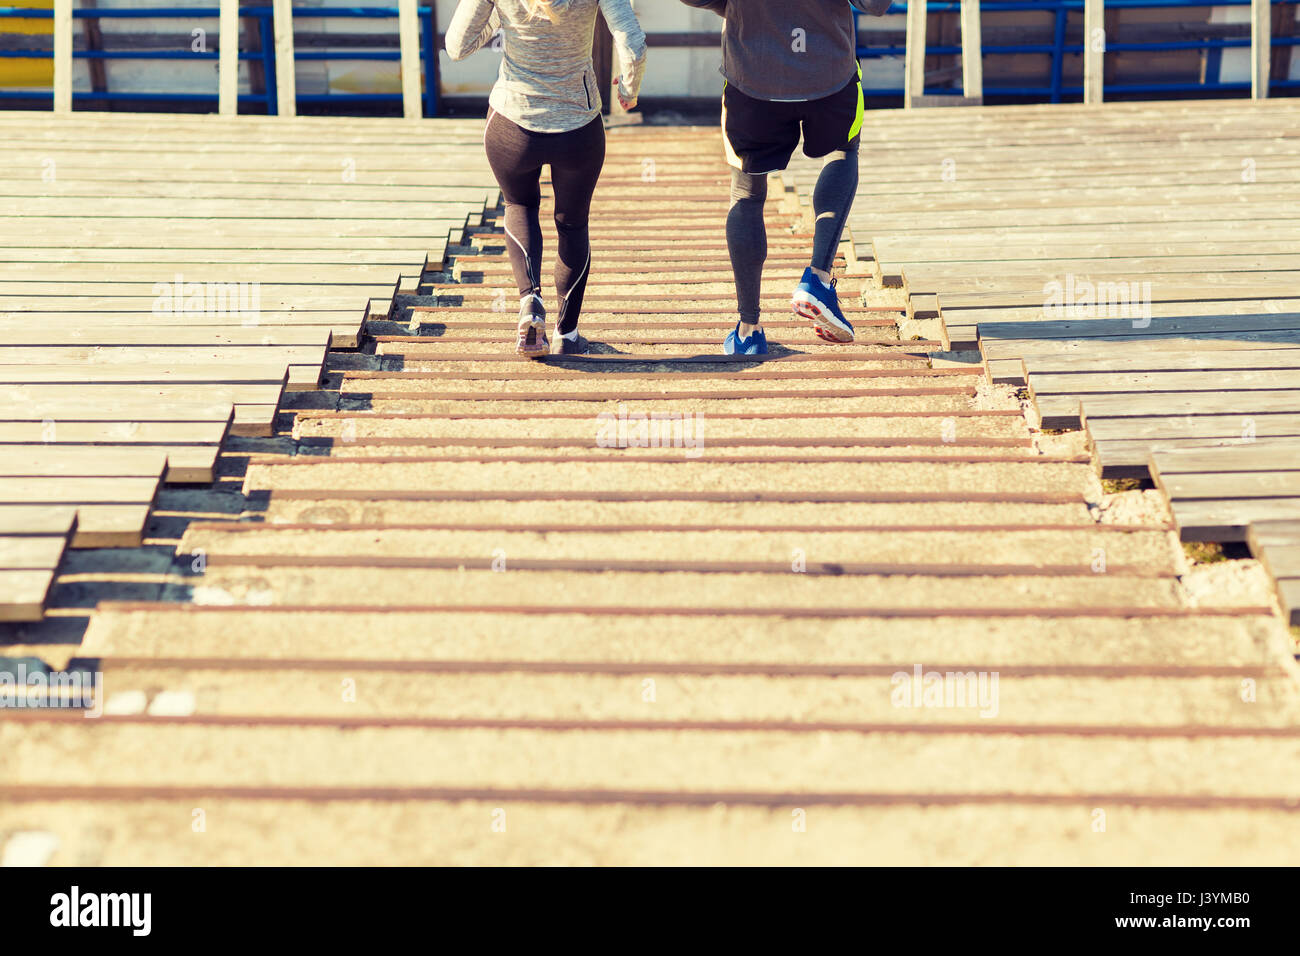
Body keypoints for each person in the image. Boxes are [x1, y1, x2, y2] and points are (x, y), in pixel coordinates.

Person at [680, 0, 889, 355]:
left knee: (747, 194)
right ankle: (818, 278)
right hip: (827, 73)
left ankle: (748, 331)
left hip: (752, 76)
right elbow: (877, 5)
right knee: (842, 152)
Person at [446, 0, 647, 356]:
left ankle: (530, 303)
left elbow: (457, 46)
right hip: (578, 129)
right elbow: (632, 42)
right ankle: (566, 336)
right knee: (572, 224)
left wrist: (503, 17)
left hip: (512, 125)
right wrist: (628, 91)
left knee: (519, 205)